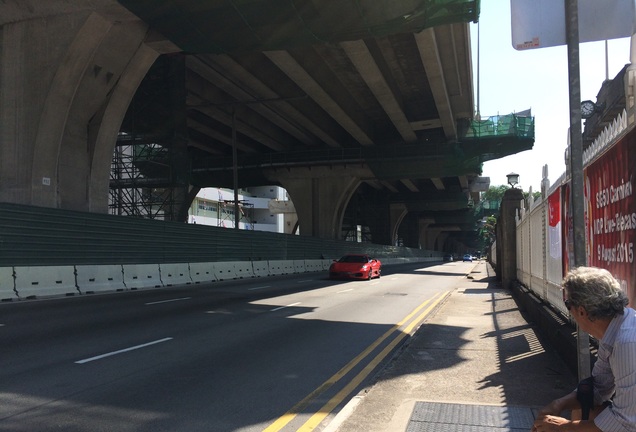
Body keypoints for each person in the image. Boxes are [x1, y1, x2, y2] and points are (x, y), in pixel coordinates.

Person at [532, 266, 636, 432]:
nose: (568, 309)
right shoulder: (615, 328)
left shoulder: (627, 342)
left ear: (581, 311)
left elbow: (626, 422)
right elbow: (599, 387)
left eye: (568, 304)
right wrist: (559, 404)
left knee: (578, 422)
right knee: (583, 409)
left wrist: (562, 426)